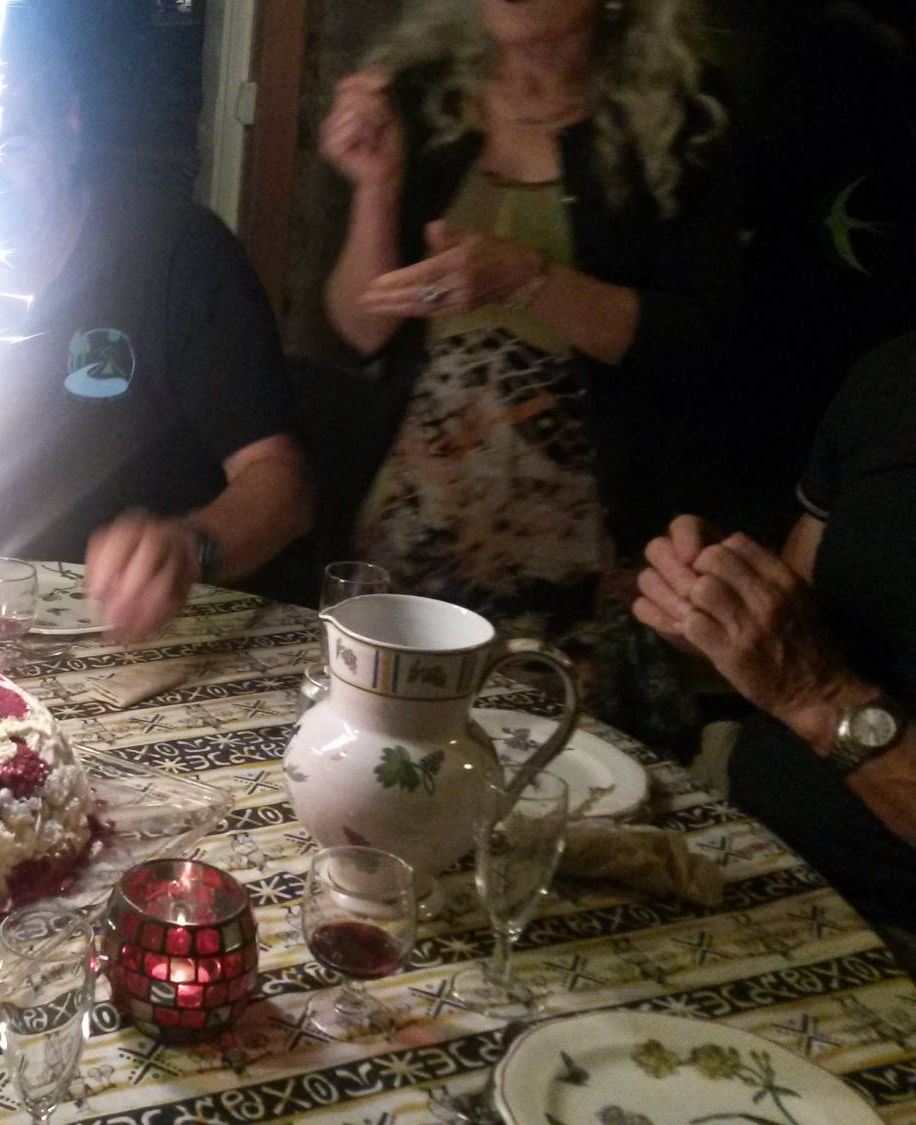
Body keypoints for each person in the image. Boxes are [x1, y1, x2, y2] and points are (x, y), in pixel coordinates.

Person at [319, 0, 739, 722]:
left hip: (582, 549)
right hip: (416, 527)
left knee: (560, 762)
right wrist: (376, 186)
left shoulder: (680, 119)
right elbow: (363, 329)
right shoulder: (425, 100)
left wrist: (528, 278)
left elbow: (700, 342)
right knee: (389, 751)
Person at [0, 16, 312, 642]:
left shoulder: (177, 254)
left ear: (69, 123)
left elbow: (282, 485)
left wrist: (190, 549)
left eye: (12, 143)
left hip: (144, 641)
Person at [633, 333, 916, 939]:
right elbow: (807, 608)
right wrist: (723, 609)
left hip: (886, 922)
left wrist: (819, 698)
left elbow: (806, 683)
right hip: (745, 838)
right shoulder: (893, 375)